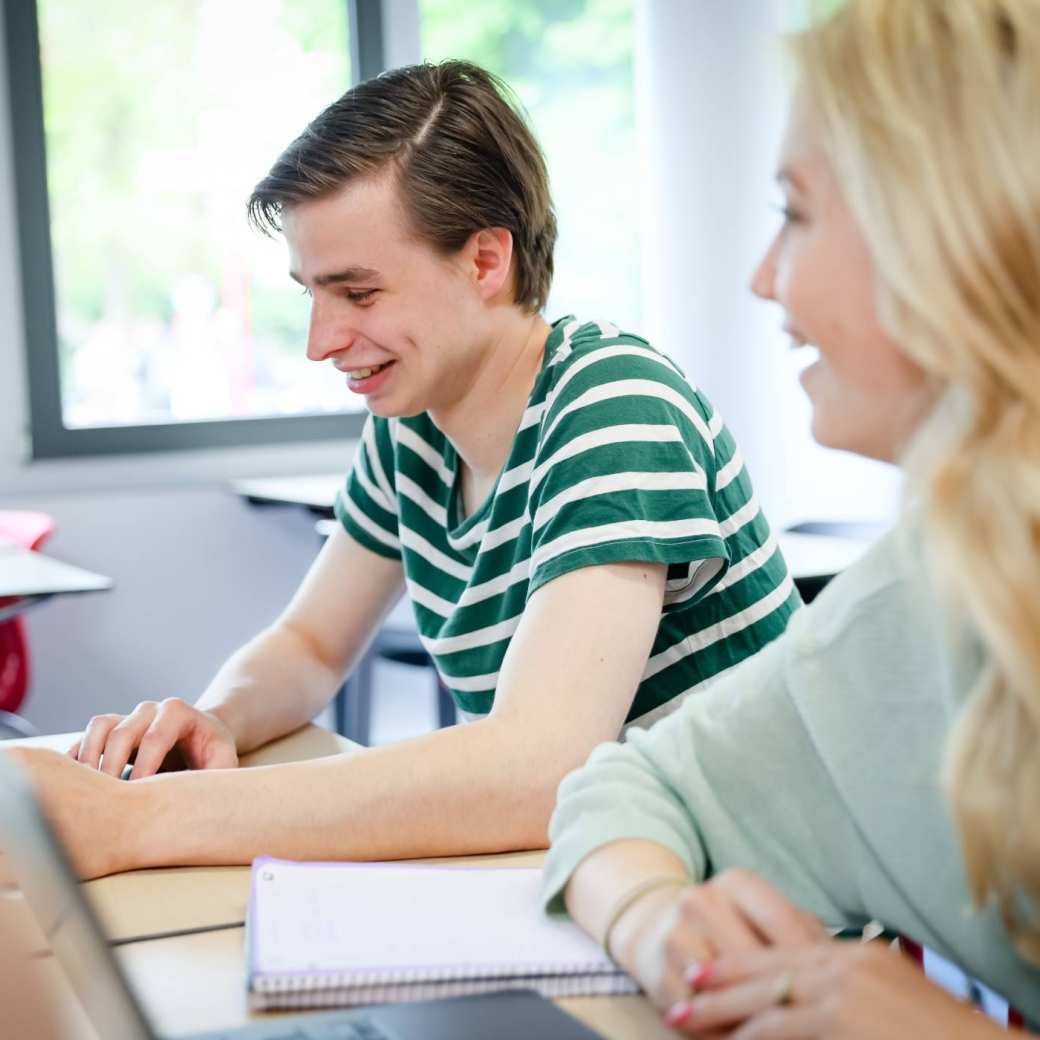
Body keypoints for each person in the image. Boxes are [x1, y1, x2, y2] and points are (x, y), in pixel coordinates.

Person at [9, 61, 797, 880]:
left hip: (752, 910)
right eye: (312, 294)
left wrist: (139, 822)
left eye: (358, 293)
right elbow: (311, 646)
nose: (320, 341)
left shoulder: (614, 406)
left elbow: (536, 769)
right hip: (613, 876)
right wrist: (216, 718)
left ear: (486, 261)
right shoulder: (414, 425)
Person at [542, 0, 1040, 1034]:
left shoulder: (612, 400)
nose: (761, 274)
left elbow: (527, 753)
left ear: (954, 227)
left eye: (796, 210)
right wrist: (654, 921)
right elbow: (621, 788)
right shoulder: (926, 596)